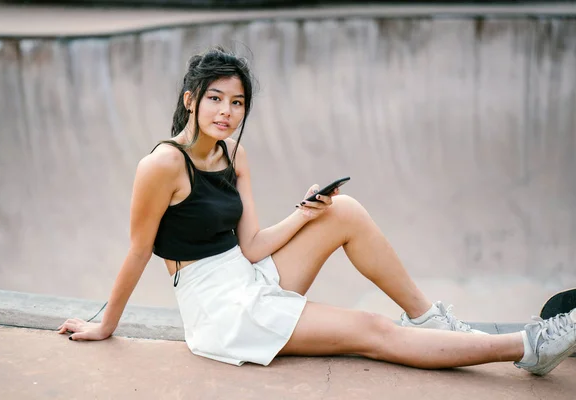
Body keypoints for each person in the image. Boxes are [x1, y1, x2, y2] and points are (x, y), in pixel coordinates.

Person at [58, 46, 576, 376]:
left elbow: (254, 245)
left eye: (237, 103)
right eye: (215, 98)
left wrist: (306, 214)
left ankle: (432, 320)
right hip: (221, 310)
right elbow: (137, 250)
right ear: (190, 99)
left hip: (247, 273)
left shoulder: (233, 156)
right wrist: (105, 324)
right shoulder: (162, 165)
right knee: (372, 332)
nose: (226, 112)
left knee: (343, 210)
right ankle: (527, 346)